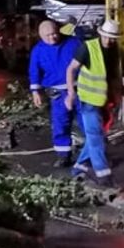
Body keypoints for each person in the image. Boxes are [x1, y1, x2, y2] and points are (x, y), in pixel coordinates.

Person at [65, 19, 123, 187]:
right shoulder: (88, 48)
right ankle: (103, 174)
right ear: (100, 34)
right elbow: (71, 69)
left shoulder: (114, 50)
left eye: (113, 38)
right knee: (95, 136)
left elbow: (112, 74)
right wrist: (70, 94)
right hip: (88, 100)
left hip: (103, 100)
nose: (109, 41)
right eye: (107, 37)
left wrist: (117, 94)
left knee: (96, 135)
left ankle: (80, 166)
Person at [29, 20, 82, 167]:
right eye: (48, 35)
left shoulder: (74, 43)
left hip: (79, 90)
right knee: (60, 125)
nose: (52, 37)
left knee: (86, 123)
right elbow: (34, 71)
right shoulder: (38, 51)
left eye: (54, 34)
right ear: (41, 36)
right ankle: (64, 156)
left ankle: (92, 154)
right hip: (58, 94)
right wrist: (35, 92)